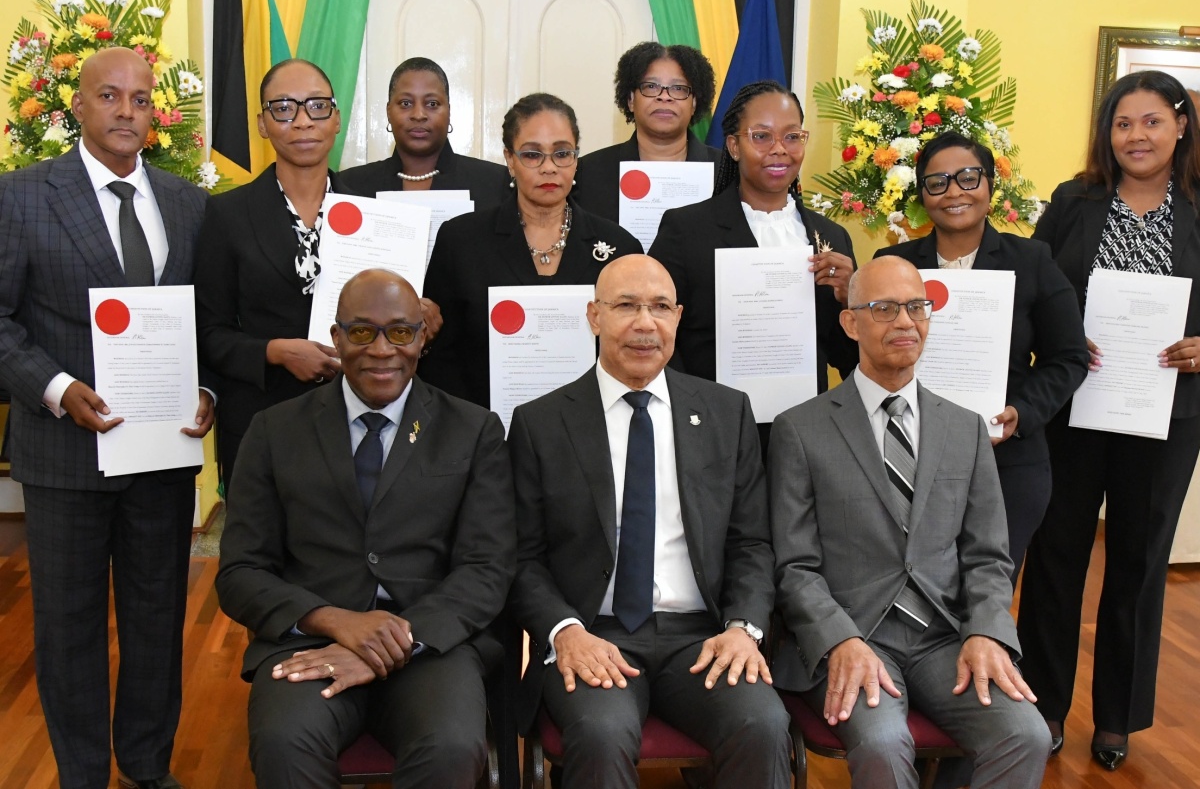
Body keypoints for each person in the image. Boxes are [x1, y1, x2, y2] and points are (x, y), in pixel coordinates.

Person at [0, 47, 212, 789]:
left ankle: (149, 767)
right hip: (64, 455)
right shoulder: (21, 195)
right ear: (78, 107)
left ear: (157, 112)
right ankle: (82, 776)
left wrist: (208, 389)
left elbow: (207, 321)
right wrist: (58, 387)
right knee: (69, 630)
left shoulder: (187, 203)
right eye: (110, 97)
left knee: (158, 626)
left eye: (141, 99)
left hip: (159, 454)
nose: (127, 112)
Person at [215, 268, 515, 789]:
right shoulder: (273, 431)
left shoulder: (474, 430)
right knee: (284, 744)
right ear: (336, 338)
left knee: (452, 747)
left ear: (422, 338)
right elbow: (240, 571)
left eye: (400, 331)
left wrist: (395, 637)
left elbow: (486, 570)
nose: (381, 349)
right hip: (307, 641)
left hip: (431, 642)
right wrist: (337, 622)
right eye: (361, 331)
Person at [508, 255, 792, 789]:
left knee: (762, 721)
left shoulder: (726, 413)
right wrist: (565, 631)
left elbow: (751, 542)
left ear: (679, 317)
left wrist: (744, 628)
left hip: (703, 638)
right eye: (626, 307)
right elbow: (522, 557)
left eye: (660, 307)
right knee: (599, 731)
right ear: (594, 316)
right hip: (597, 636)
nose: (645, 323)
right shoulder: (540, 423)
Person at [769, 256, 1050, 789]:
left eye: (917, 307)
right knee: (881, 742)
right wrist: (838, 641)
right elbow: (795, 567)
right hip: (853, 638)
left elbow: (989, 556)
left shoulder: (965, 428)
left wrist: (988, 632)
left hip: (946, 639)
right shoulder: (800, 430)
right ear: (850, 323)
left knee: (1027, 735)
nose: (905, 322)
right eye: (884, 308)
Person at [1017, 69, 1200, 770]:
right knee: (1056, 555)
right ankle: (1041, 705)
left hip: (1168, 414)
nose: (1137, 136)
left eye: (1152, 121)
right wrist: (1061, 338)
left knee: (1138, 561)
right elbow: (1035, 282)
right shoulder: (1074, 201)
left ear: (1181, 124)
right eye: (1123, 124)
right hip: (1073, 407)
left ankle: (1117, 717)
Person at [875, 132, 1089, 582]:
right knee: (909, 586)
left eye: (968, 178)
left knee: (986, 594)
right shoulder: (893, 263)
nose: (954, 191)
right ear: (922, 195)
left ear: (990, 186)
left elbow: (1068, 356)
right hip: (906, 456)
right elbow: (864, 357)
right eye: (937, 182)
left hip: (1005, 462)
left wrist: (1022, 412)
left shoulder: (1031, 260)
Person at [420, 93, 642, 409]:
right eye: (533, 155)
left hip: (591, 432)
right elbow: (441, 359)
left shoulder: (620, 248)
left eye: (562, 153)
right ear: (510, 160)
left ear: (576, 158)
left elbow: (630, 352)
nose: (549, 168)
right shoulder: (461, 241)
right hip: (485, 435)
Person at [194, 59, 354, 485]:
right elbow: (209, 333)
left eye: (317, 106)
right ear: (263, 124)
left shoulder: (373, 210)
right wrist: (277, 352)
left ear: (336, 118)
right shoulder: (227, 214)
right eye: (283, 108)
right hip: (260, 418)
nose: (302, 121)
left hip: (357, 418)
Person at [649, 80, 858, 395]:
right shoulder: (686, 229)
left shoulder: (831, 237)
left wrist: (853, 300)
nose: (779, 149)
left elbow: (848, 360)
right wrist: (690, 410)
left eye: (792, 136)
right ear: (734, 146)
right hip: (713, 423)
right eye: (761, 136)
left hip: (800, 427)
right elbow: (656, 331)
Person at [572, 42, 720, 224]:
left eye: (678, 88)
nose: (664, 96)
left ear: (694, 103)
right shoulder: (588, 173)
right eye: (651, 86)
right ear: (631, 99)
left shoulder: (727, 172)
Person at [339, 56, 509, 207]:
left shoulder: (495, 182)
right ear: (389, 112)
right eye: (406, 103)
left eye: (432, 104)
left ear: (449, 112)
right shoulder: (349, 186)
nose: (418, 115)